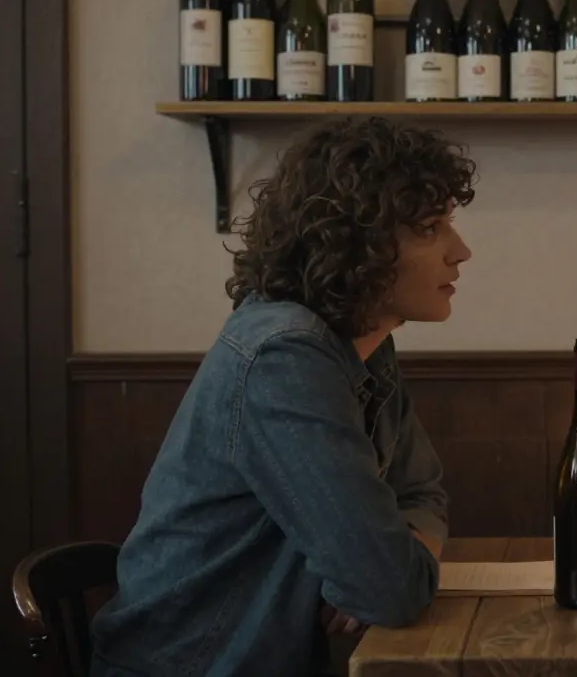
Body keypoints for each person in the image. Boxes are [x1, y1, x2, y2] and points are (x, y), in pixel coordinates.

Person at [90, 117, 475, 676]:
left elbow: (422, 494)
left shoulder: (364, 343)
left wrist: (395, 558)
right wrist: (381, 571)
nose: (460, 250)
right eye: (430, 227)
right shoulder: (285, 354)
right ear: (355, 241)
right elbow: (391, 589)